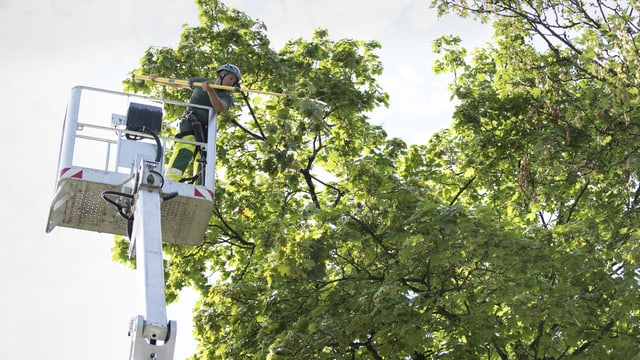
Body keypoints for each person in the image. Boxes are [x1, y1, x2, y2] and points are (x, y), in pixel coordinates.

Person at [150, 64, 241, 182]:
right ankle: (170, 180)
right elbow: (179, 83)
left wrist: (210, 91)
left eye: (234, 81)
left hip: (206, 130)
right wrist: (158, 80)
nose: (231, 83)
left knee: (203, 159)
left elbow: (219, 107)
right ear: (222, 74)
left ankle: (199, 187)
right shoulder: (200, 82)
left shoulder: (226, 97)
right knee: (187, 147)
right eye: (231, 78)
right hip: (189, 123)